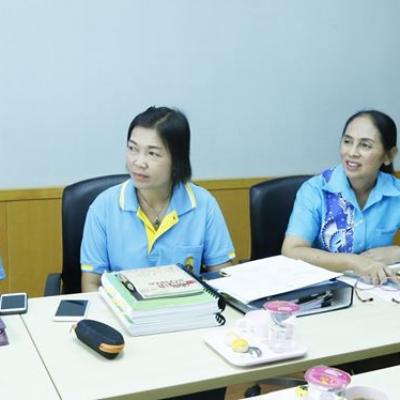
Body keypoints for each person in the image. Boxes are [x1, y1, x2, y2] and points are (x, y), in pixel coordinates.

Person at [81, 106, 235, 293]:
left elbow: (223, 276)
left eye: (152, 153)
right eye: (133, 149)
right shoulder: (103, 207)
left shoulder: (204, 205)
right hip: (123, 309)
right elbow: (92, 283)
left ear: (177, 160)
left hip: (186, 308)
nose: (139, 162)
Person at [282, 110, 400, 284]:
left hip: (377, 288)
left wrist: (396, 252)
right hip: (324, 288)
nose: (352, 152)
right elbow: (291, 251)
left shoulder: (396, 192)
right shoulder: (315, 190)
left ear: (389, 155)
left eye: (365, 145)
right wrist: (353, 262)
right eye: (347, 142)